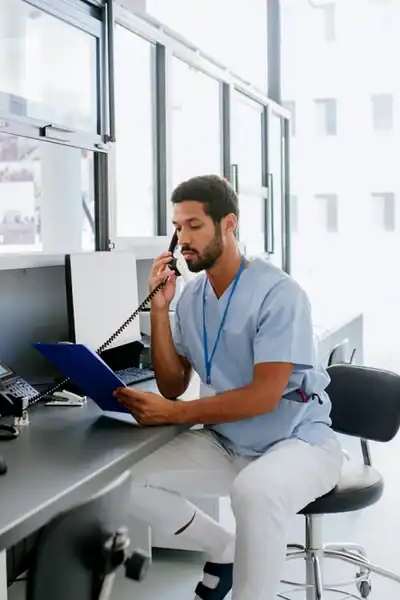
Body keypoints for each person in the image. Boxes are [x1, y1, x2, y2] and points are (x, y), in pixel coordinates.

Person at [113, 174, 342, 600]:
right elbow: (172, 383)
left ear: (229, 224)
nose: (183, 239)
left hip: (297, 441)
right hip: (228, 442)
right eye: (178, 227)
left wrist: (176, 414)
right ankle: (222, 546)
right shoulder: (190, 297)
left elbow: (264, 395)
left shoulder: (279, 293)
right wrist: (159, 310)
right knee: (121, 477)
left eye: (195, 225)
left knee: (254, 493)